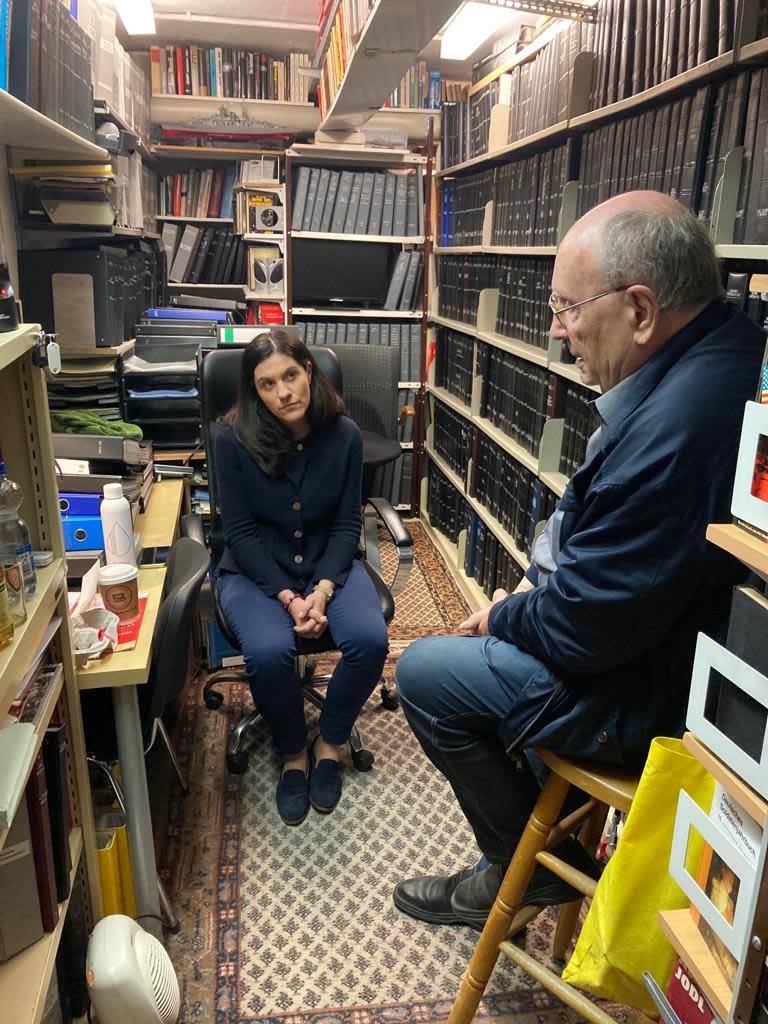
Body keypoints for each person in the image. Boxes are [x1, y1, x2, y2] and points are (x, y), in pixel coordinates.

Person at [392, 191, 764, 930]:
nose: (559, 334)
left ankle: (518, 870)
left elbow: (585, 632)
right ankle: (522, 851)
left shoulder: (676, 433)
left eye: (568, 309)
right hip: (655, 645)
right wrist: (533, 589)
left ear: (640, 309)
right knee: (493, 653)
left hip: (646, 688)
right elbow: (594, 544)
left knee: (425, 675)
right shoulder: (724, 345)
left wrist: (507, 613)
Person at [214, 329, 388, 826]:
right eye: (267, 384)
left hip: (326, 562)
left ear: (309, 371)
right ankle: (293, 754)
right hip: (255, 569)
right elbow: (240, 533)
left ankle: (329, 743)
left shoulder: (345, 435)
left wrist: (325, 589)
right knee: (269, 652)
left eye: (290, 375)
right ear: (254, 391)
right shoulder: (232, 439)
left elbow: (347, 523)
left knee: (370, 639)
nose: (283, 392)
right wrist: (291, 598)